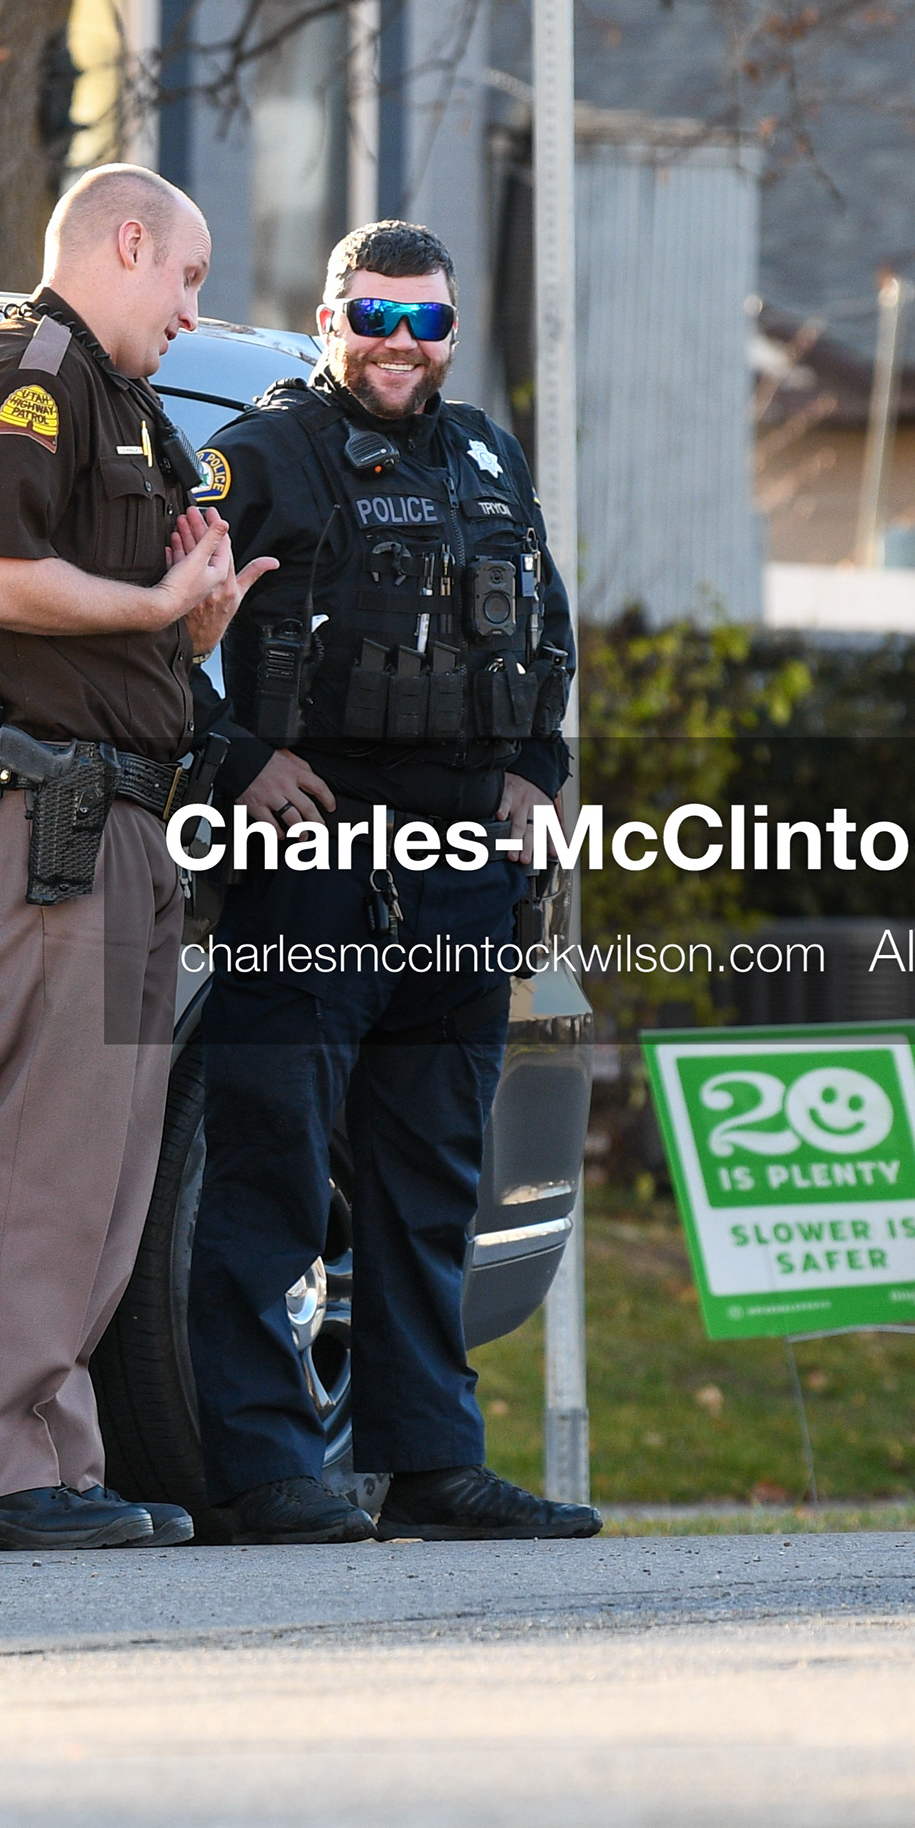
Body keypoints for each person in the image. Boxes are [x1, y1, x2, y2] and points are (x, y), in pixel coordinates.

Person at [181, 219, 598, 1544]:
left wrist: (535, 774)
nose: (399, 346)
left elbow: (545, 636)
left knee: (429, 1190)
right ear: (327, 322)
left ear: (454, 332)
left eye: (424, 323)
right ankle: (261, 1468)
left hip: (464, 874)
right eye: (374, 318)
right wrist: (232, 756)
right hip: (313, 873)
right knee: (272, 1182)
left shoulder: (486, 453)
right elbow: (152, 635)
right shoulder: (257, 458)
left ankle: (430, 1459)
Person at [0, 164, 270, 1552]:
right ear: (128, 243)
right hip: (46, 823)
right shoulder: (30, 371)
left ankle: (54, 1461)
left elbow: (128, 616)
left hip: (126, 816)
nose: (194, 308)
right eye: (185, 274)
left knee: (110, 1168)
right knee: (44, 1156)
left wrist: (192, 622)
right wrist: (153, 599)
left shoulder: (126, 406)